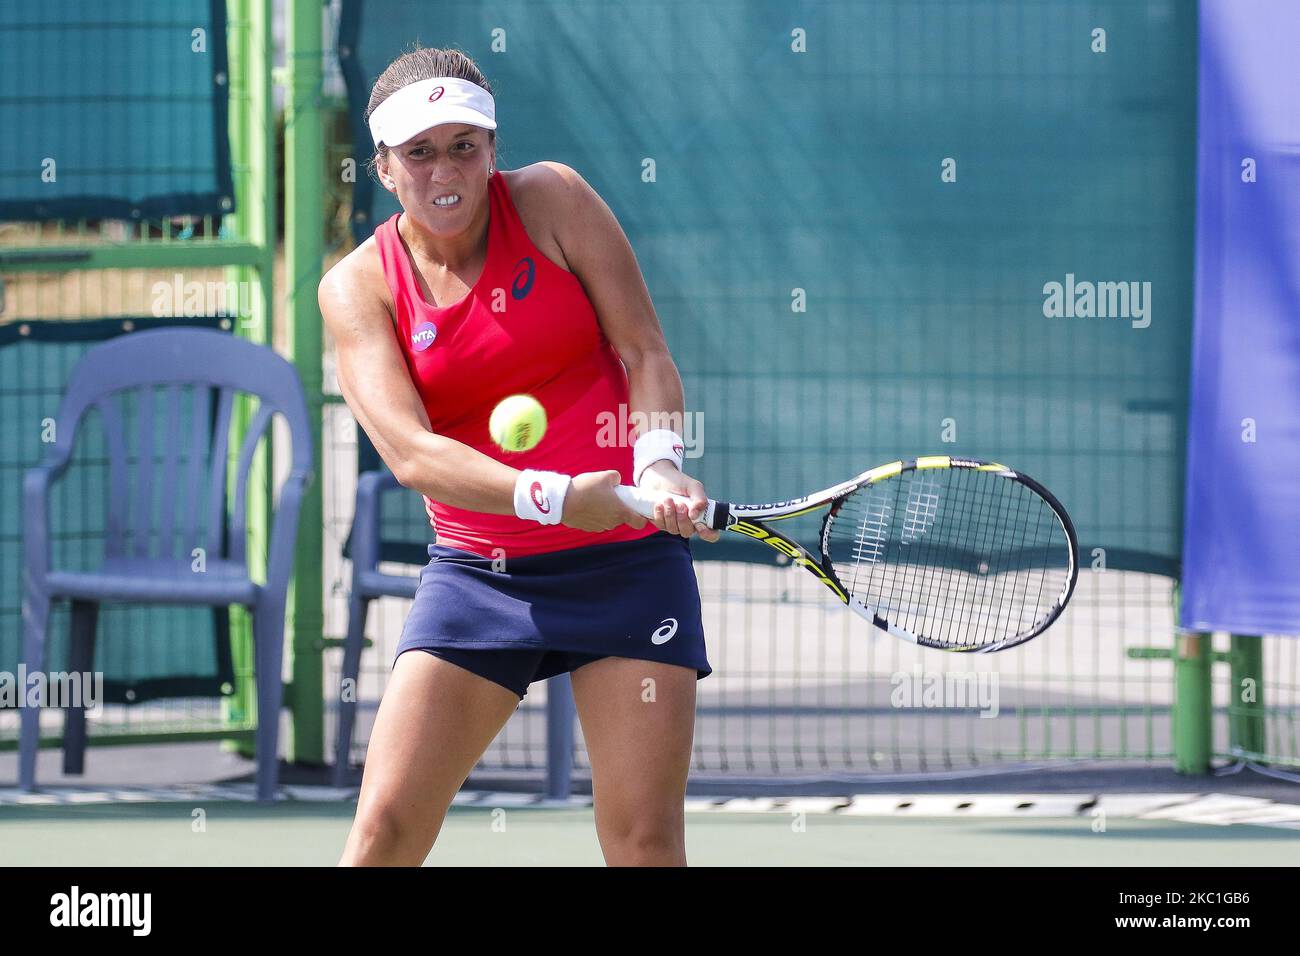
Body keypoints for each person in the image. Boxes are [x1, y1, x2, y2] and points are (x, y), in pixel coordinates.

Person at [319, 46, 719, 866]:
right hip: (478, 577)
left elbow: (644, 350)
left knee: (644, 840)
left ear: (493, 150)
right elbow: (413, 455)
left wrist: (657, 468)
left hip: (628, 566)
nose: (445, 170)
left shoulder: (553, 201)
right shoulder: (359, 288)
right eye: (419, 151)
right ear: (384, 168)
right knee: (383, 832)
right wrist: (560, 496)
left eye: (464, 144)